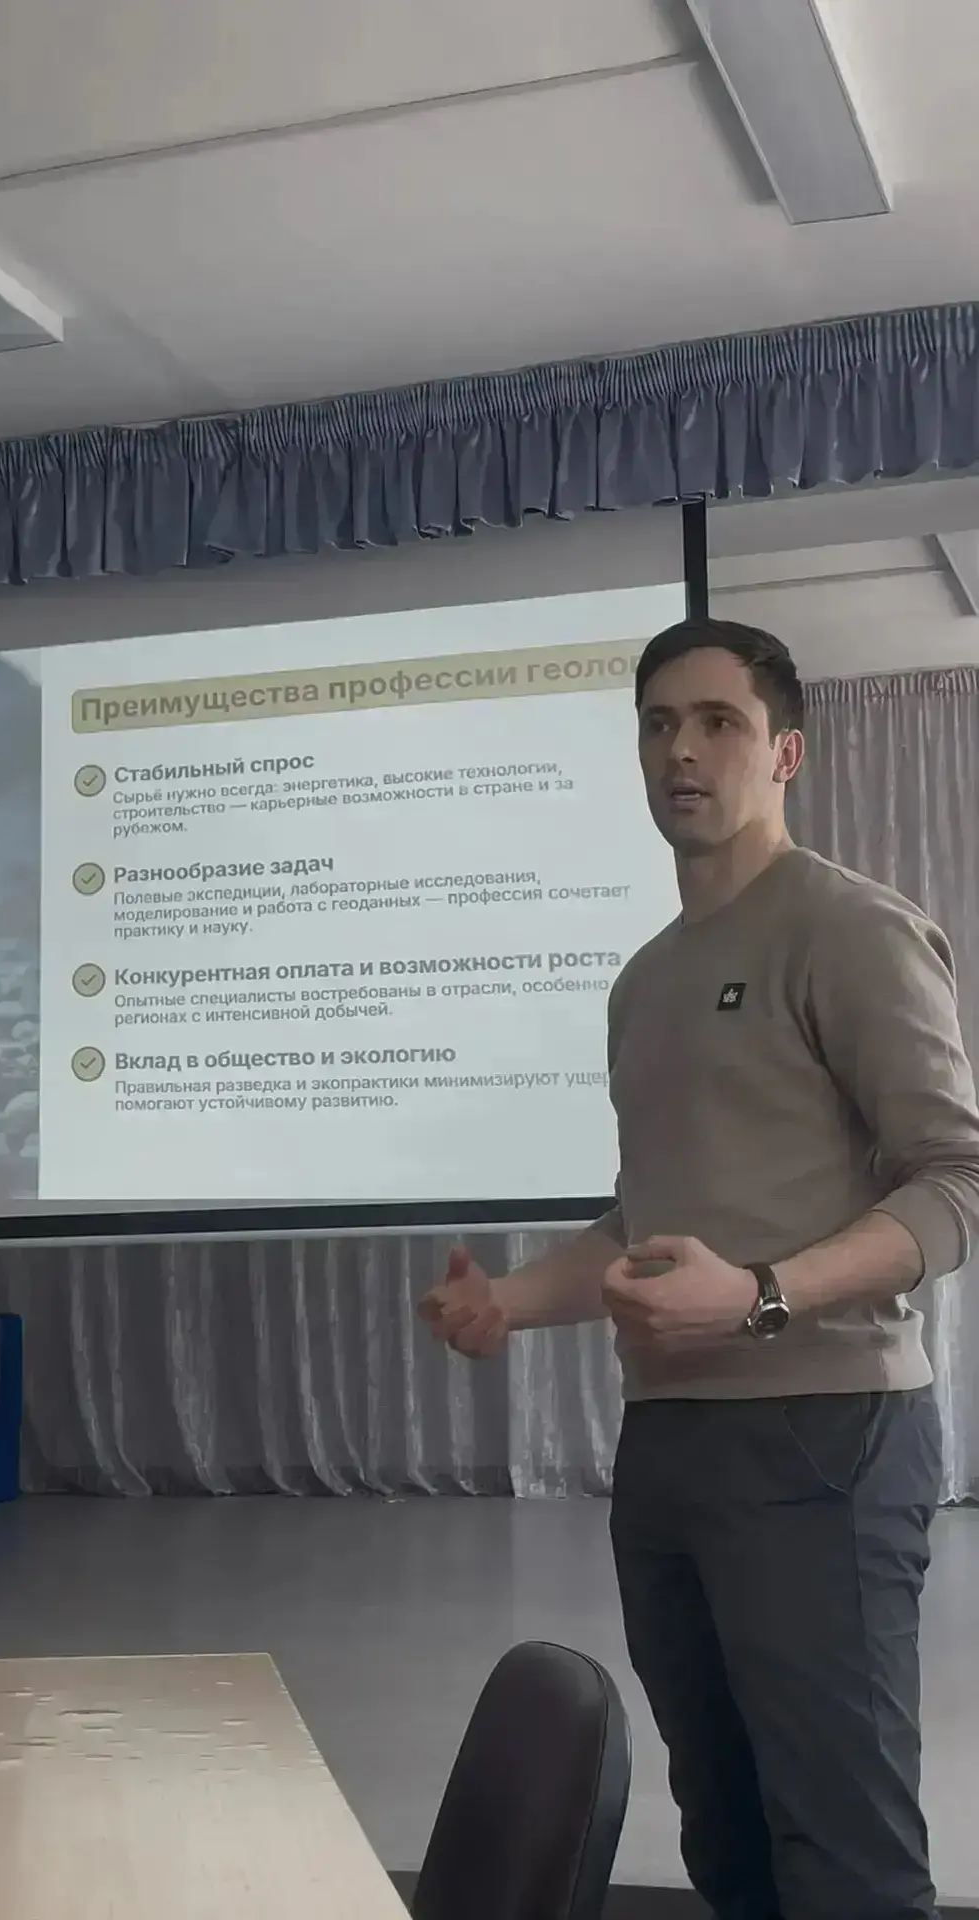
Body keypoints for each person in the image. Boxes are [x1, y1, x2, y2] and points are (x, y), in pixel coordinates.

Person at [420, 618, 979, 1920]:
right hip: (669, 1450)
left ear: (784, 753)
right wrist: (508, 1302)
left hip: (824, 1439)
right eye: (659, 725)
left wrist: (763, 1293)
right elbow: (644, 1221)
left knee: (841, 1853)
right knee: (726, 1836)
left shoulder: (848, 928)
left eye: (718, 722)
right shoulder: (646, 982)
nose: (682, 749)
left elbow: (955, 1180)